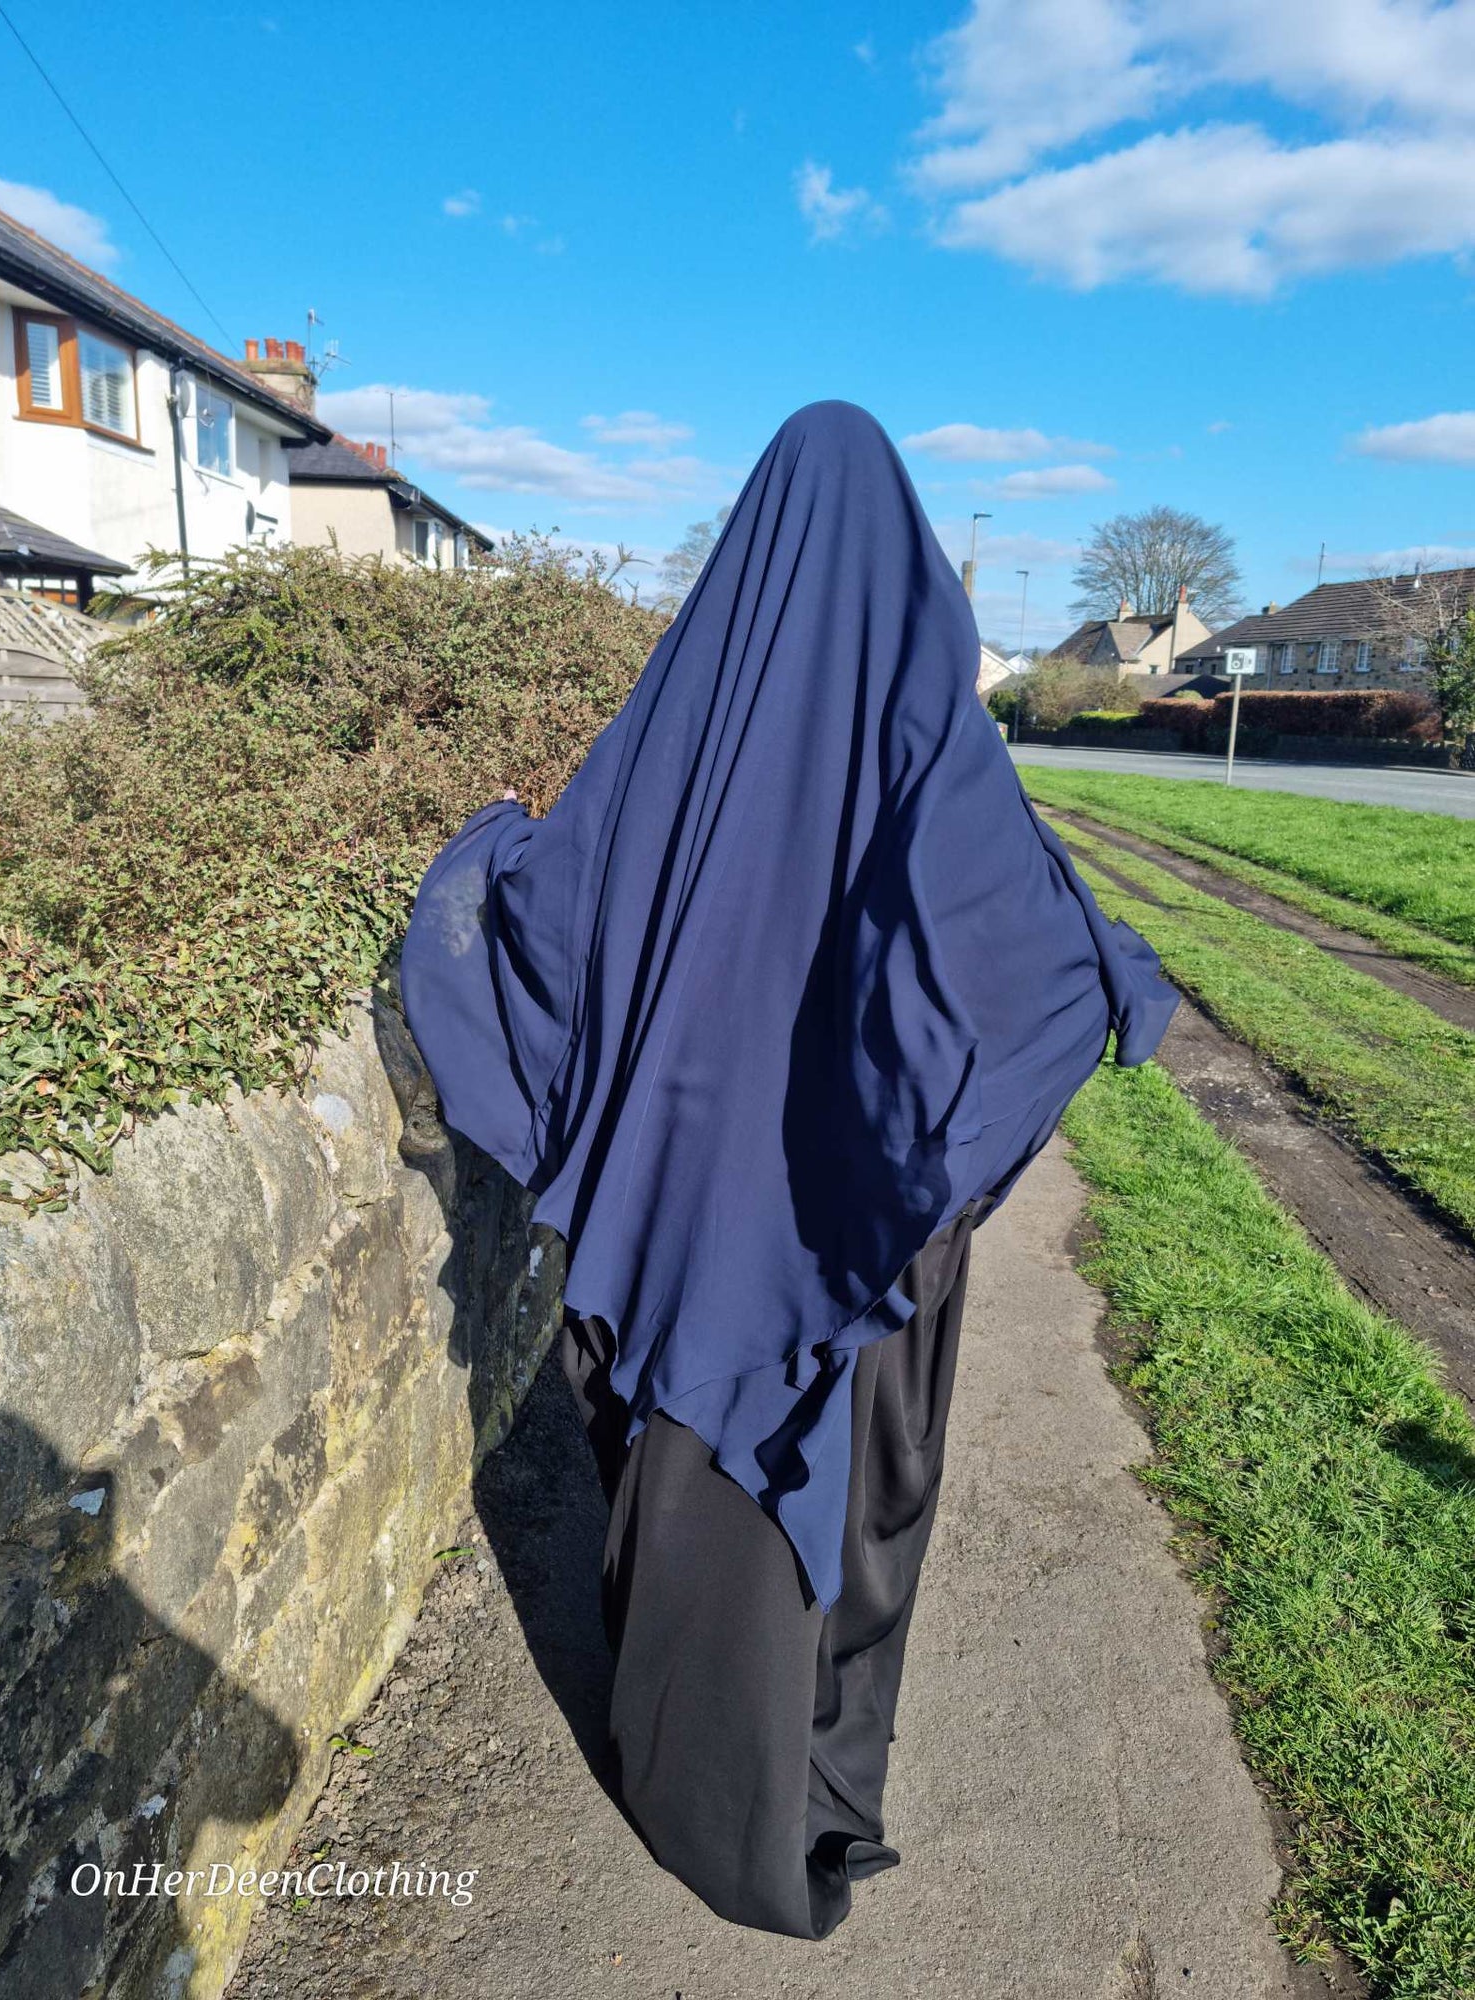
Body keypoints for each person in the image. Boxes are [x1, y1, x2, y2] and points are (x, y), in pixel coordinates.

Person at [399, 401, 1178, 1940]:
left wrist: (479, 848)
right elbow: (1031, 970)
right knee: (850, 1500)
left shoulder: (679, 727)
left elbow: (551, 918)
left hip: (685, 1225)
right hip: (859, 1239)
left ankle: (701, 1794)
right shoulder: (936, 756)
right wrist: (1103, 979)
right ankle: (818, 1791)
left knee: (681, 1487)